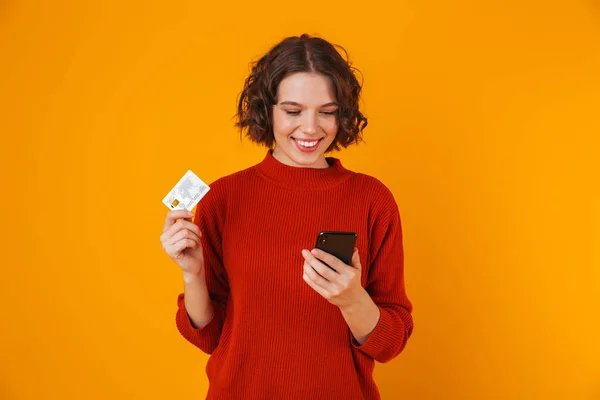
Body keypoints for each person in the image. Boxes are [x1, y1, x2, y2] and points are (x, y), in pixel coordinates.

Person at [160, 33, 414, 399]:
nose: (311, 128)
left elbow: (390, 344)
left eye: (327, 112)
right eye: (293, 111)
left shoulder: (372, 199)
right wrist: (192, 273)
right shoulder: (224, 198)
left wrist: (352, 299)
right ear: (267, 109)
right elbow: (208, 337)